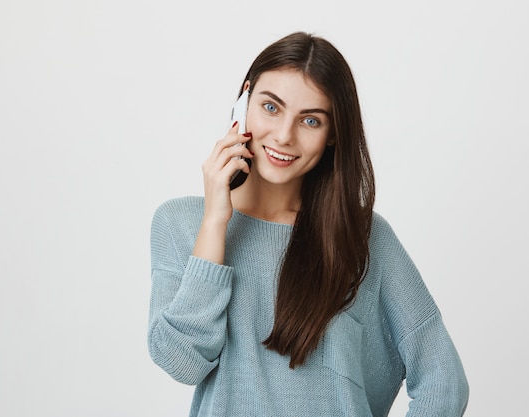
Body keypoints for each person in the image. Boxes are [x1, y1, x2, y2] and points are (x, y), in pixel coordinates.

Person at [147, 31, 469, 416]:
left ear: (333, 134)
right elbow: (182, 361)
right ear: (244, 100)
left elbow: (443, 381)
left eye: (311, 120)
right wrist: (216, 219)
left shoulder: (364, 238)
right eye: (270, 107)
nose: (284, 136)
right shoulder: (179, 223)